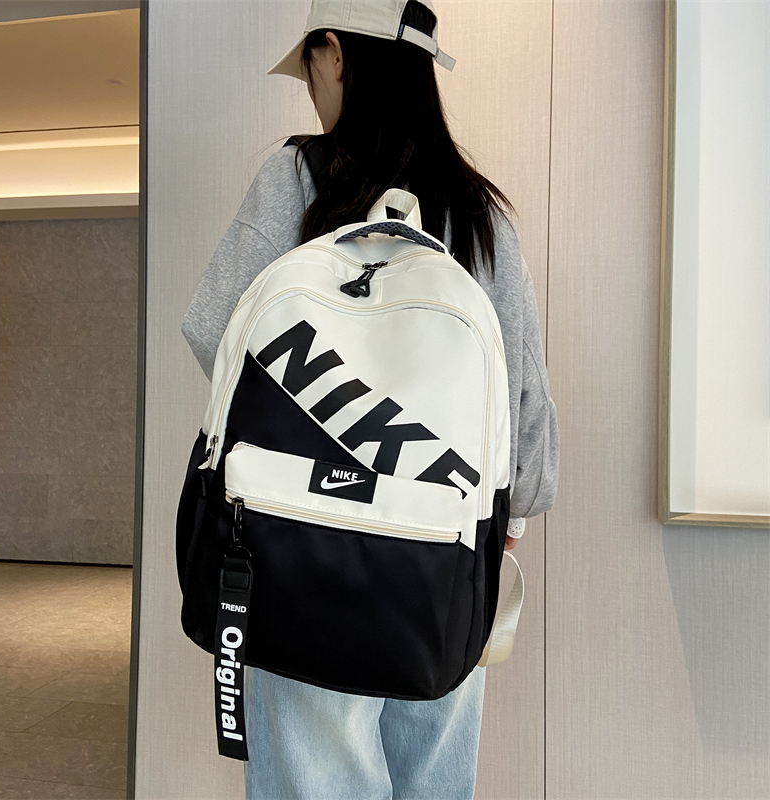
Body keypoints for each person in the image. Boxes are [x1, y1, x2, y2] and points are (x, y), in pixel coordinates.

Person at [181, 1, 559, 797]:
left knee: (315, 776)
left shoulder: (296, 179)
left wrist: (314, 454)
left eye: (310, 70)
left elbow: (215, 329)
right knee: (433, 772)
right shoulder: (480, 213)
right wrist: (504, 520)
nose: (312, 89)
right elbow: (522, 399)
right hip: (449, 548)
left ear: (333, 53)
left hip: (303, 546)